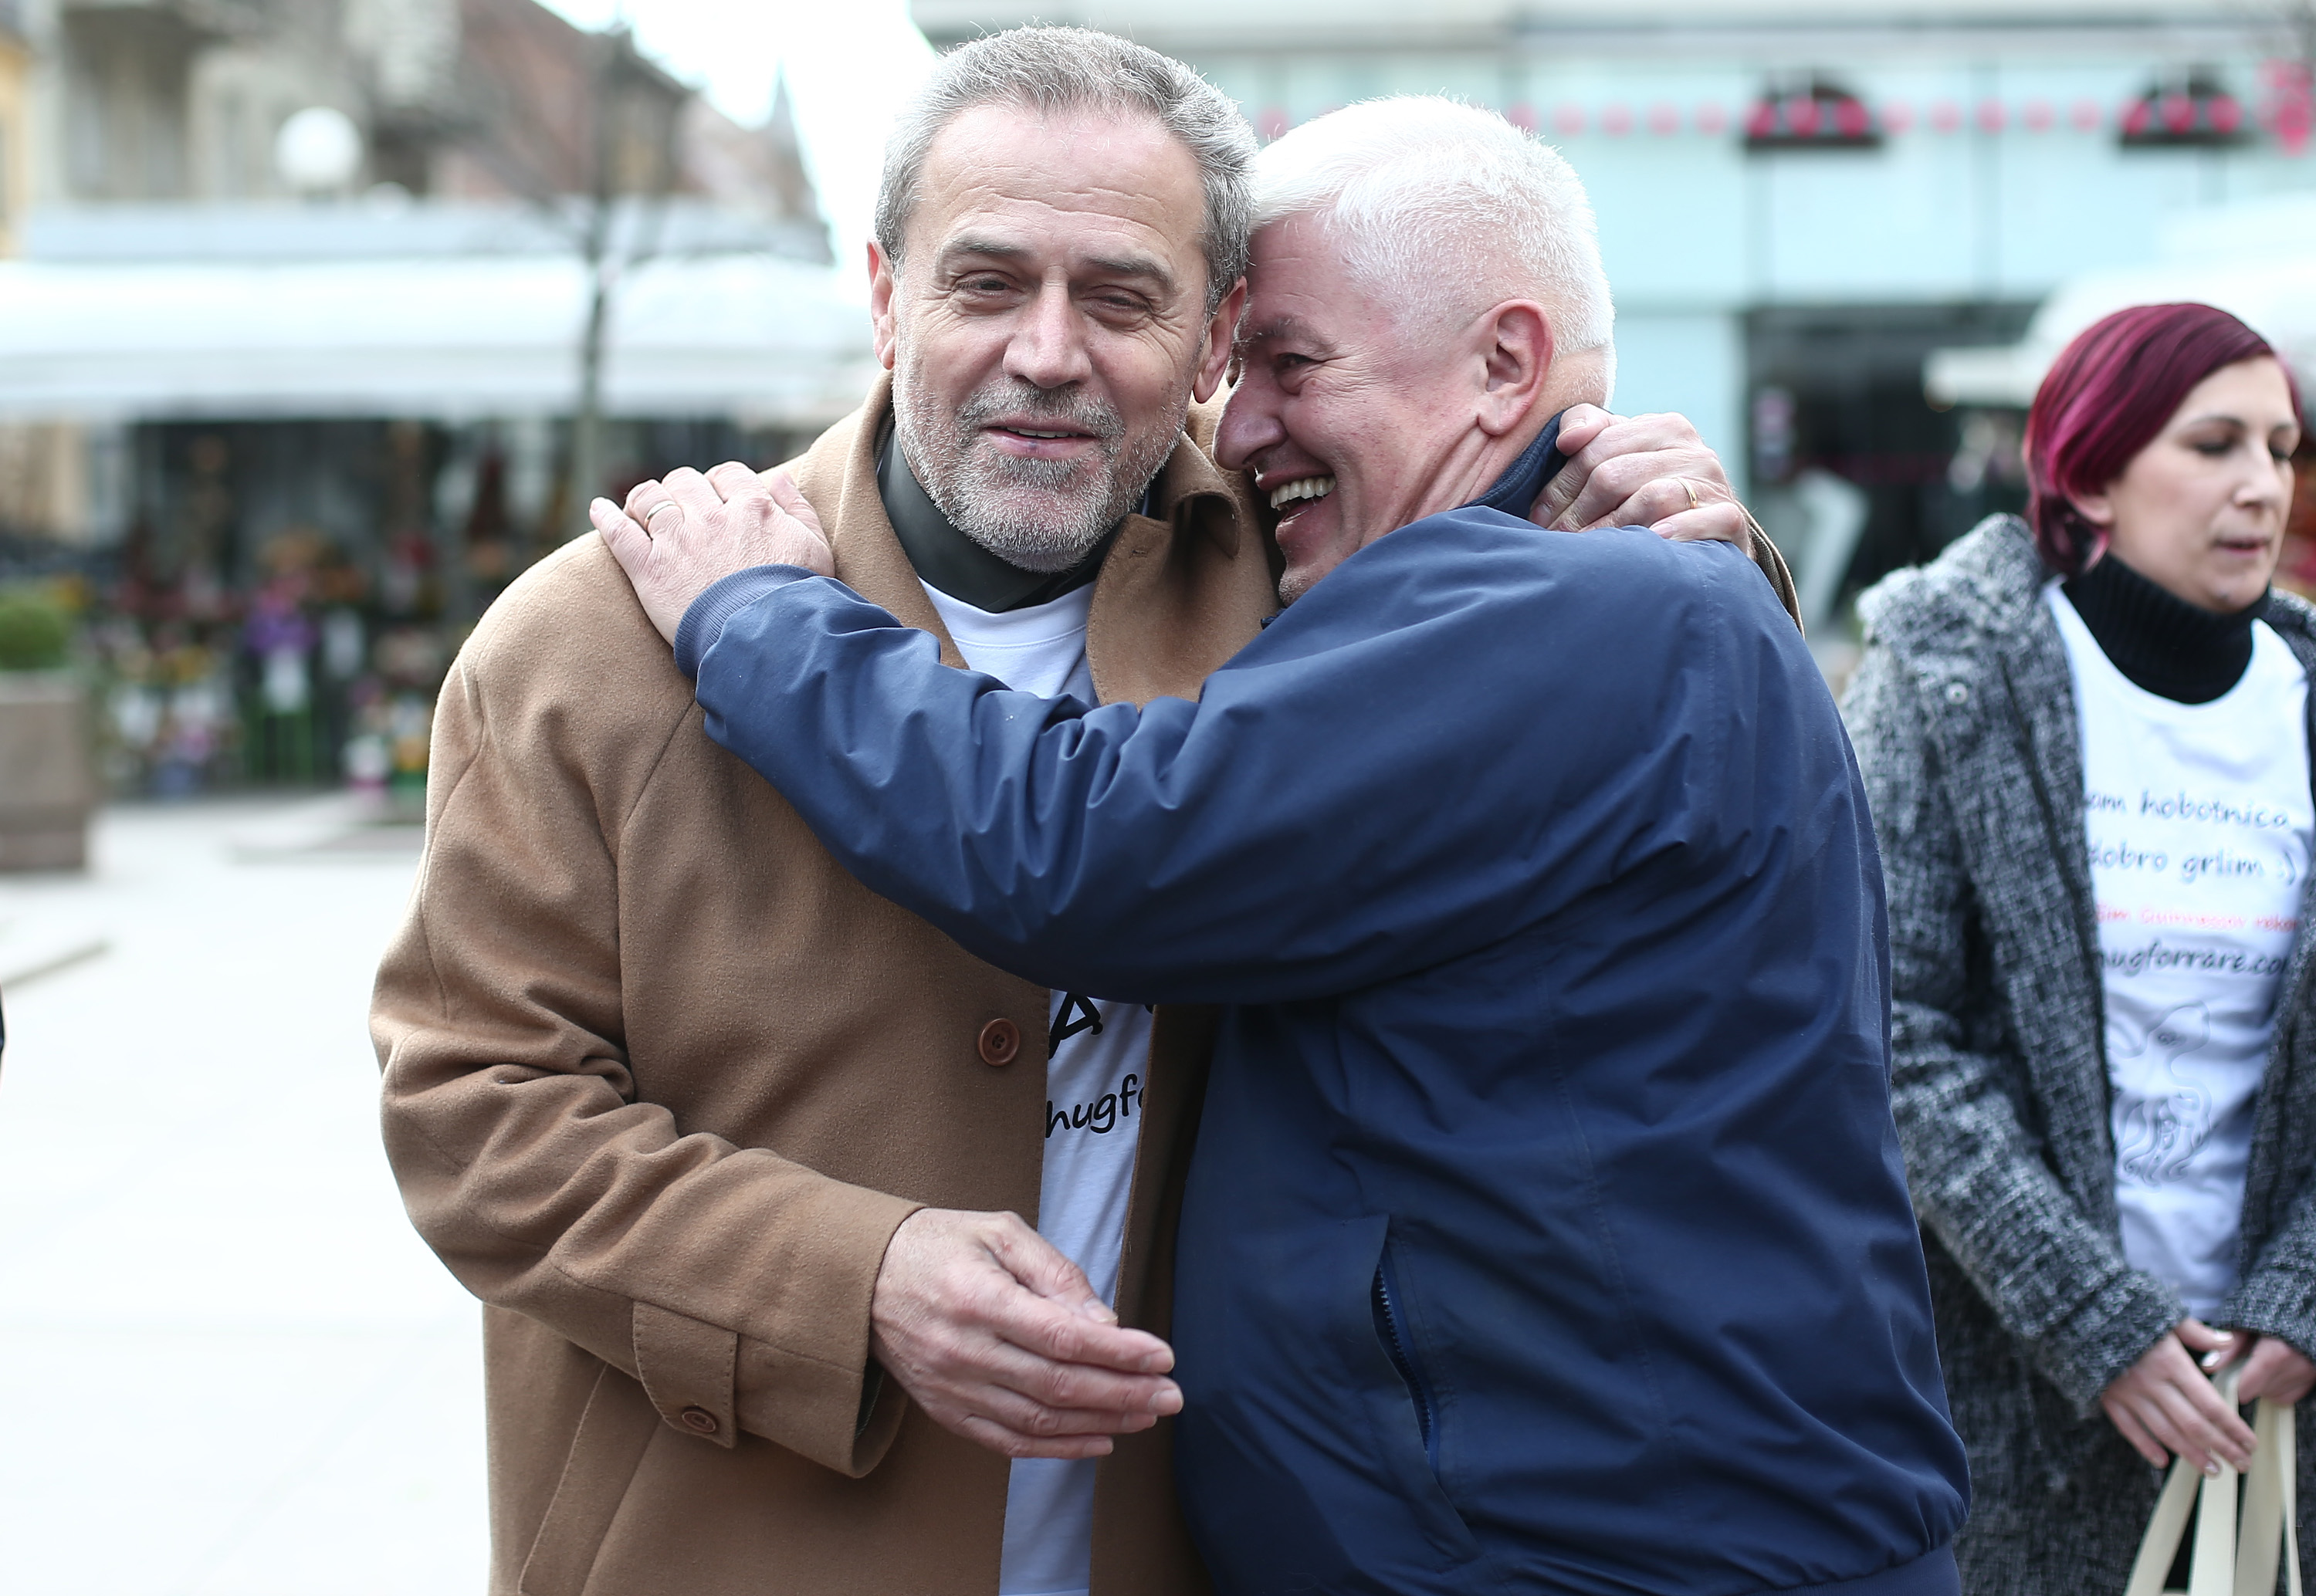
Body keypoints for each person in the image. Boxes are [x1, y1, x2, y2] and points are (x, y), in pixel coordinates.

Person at [373, 30, 1775, 1596]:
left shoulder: (1329, 587)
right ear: (886, 292)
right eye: (986, 283)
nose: (1049, 350)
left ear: (1216, 334)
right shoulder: (597, 643)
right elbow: (474, 1112)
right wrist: (851, 1277)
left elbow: (1603, 692)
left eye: (1120, 297)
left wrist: (1657, 524)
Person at [1841, 301, 2316, 1592]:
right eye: (2213, 444)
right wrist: (2097, 1323)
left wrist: (2301, 1296)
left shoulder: (2305, 696)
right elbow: (1893, 1029)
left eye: (2280, 449)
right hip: (2013, 1388)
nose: (2260, 487)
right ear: (2093, 469)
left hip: (2276, 1401)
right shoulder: (1953, 672)